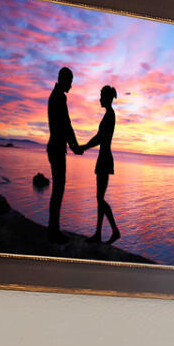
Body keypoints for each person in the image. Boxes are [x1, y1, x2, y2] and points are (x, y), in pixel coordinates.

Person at [43, 67, 82, 240]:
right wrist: (74, 145)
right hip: (57, 148)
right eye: (70, 82)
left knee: (58, 188)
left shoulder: (55, 95)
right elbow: (66, 124)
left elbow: (65, 125)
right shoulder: (59, 96)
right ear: (63, 80)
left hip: (55, 147)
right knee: (58, 188)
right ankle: (54, 231)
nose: (71, 86)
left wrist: (73, 145)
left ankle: (53, 228)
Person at [85, 85, 121, 244]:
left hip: (105, 159)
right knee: (99, 198)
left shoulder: (110, 115)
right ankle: (99, 234)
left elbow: (100, 138)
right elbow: (100, 137)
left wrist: (83, 147)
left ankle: (114, 231)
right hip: (103, 158)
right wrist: (84, 147)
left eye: (101, 96)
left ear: (107, 97)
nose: (99, 99)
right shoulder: (108, 115)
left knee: (100, 198)